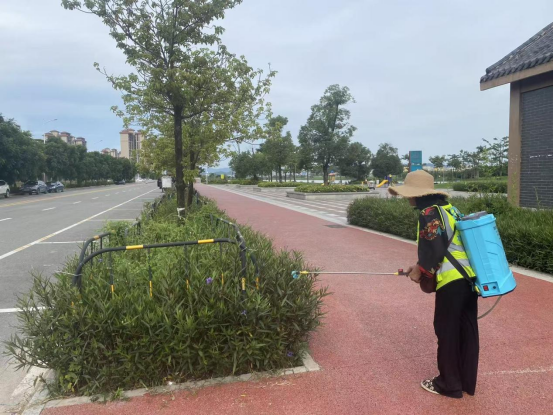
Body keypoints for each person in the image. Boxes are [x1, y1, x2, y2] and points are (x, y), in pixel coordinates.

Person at [389, 170, 479, 399]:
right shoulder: (449, 209)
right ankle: (465, 381)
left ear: (417, 194)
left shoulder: (428, 213)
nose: (406, 198)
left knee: (446, 330)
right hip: (469, 277)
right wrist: (419, 265)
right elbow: (447, 246)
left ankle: (448, 384)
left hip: (451, 280)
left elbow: (433, 250)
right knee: (466, 329)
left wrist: (420, 272)